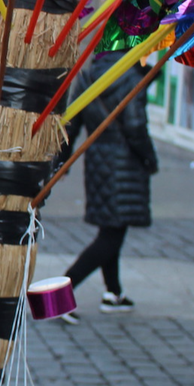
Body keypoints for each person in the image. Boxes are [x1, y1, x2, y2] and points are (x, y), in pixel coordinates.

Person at [60, 49, 158, 323]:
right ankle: (59, 294)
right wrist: (150, 159)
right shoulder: (131, 76)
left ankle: (113, 293)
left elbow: (72, 121)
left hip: (98, 159)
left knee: (111, 226)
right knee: (111, 235)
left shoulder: (89, 74)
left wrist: (61, 162)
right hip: (124, 161)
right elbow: (136, 127)